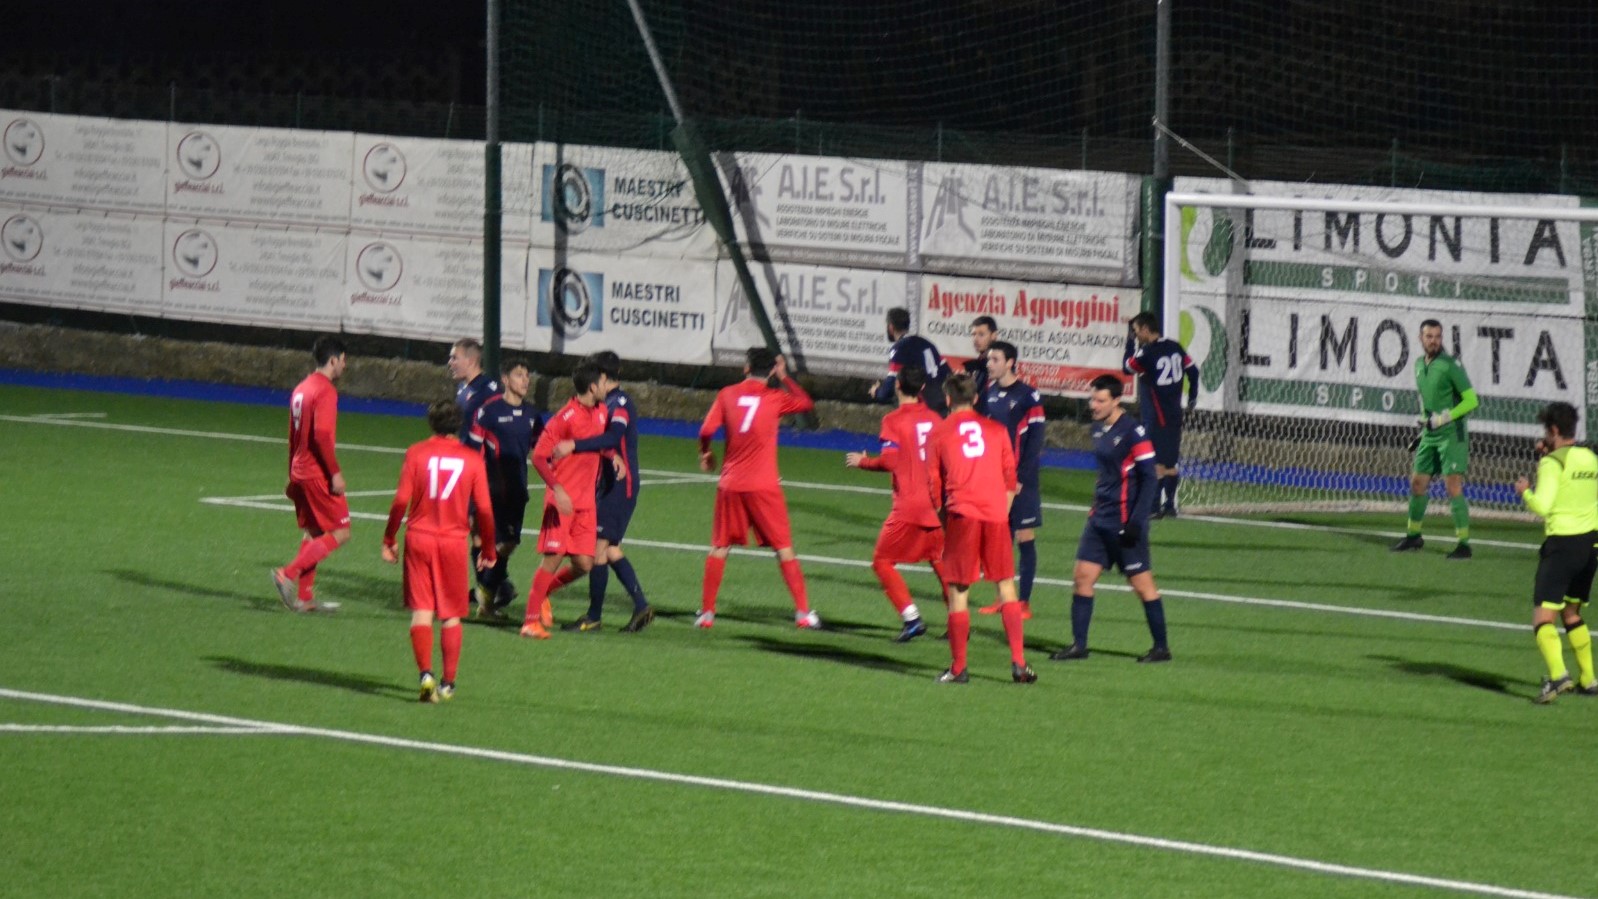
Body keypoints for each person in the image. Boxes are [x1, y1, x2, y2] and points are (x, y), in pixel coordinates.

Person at [381, 401, 497, 703]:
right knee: (451, 614)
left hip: (419, 538)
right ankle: (448, 683)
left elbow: (400, 500)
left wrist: (389, 537)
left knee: (422, 610)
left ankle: (425, 674)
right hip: (452, 543)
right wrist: (488, 548)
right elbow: (484, 509)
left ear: (431, 423)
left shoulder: (416, 453)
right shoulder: (472, 460)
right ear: (459, 425)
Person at [697, 348, 820, 630]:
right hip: (764, 486)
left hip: (731, 484)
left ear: (746, 368)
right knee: (784, 549)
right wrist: (785, 377)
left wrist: (706, 453)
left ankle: (706, 614)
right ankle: (802, 613)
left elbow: (705, 431)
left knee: (719, 547)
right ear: (771, 371)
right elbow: (805, 403)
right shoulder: (775, 397)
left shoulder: (726, 394)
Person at [1052, 374, 1171, 664]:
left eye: (1100, 400)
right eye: (1092, 399)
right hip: (1099, 521)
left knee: (1142, 586)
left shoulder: (1134, 432)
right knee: (1082, 578)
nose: (1093, 405)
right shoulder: (1097, 430)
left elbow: (1149, 478)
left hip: (1125, 523)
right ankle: (1079, 645)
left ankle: (1161, 648)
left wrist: (1137, 522)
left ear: (1117, 400)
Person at [926, 373, 1035, 684]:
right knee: (1005, 586)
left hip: (963, 515)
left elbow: (934, 487)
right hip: (996, 516)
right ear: (975, 399)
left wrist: (946, 521)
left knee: (959, 590)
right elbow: (1010, 478)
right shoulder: (997, 430)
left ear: (948, 399)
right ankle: (1018, 663)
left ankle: (959, 668)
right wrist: (1001, 514)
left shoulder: (939, 434)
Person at [552, 351, 655, 633]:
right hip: (609, 485)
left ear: (603, 377)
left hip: (619, 487)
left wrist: (574, 446)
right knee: (609, 550)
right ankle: (641, 605)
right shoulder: (604, 403)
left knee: (596, 550)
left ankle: (594, 616)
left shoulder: (618, 403)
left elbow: (612, 437)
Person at [845, 365, 947, 642]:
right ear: (923, 389)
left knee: (882, 561)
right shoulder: (936, 419)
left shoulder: (894, 419)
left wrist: (863, 461)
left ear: (898, 387)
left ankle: (912, 618)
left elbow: (890, 461)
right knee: (939, 561)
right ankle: (957, 620)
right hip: (936, 504)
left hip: (909, 506)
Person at [1513, 402, 1598, 703]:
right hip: (1590, 546)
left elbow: (1543, 506)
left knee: (1542, 618)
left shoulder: (1552, 464)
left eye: (1546, 432)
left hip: (1562, 546)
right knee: (1572, 613)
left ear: (1554, 430)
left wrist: (1524, 489)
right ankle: (1589, 679)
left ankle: (1559, 676)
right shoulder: (1590, 457)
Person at [520, 362, 609, 639]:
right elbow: (538, 456)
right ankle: (529, 622)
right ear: (593, 387)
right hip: (562, 502)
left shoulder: (602, 412)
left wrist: (612, 457)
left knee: (585, 564)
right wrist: (557, 489)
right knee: (552, 561)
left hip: (586, 504)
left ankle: (543, 593)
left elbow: (600, 444)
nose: (608, 387)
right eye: (604, 382)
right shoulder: (564, 418)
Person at [271, 336, 350, 613]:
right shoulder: (325, 390)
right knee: (341, 532)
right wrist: (335, 473)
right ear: (333, 360)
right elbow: (322, 435)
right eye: (342, 360)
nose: (344, 365)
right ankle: (287, 574)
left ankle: (305, 598)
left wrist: (292, 474)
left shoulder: (301, 388)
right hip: (317, 473)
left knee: (315, 531)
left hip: (300, 470)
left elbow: (293, 435)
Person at [1392, 319, 1479, 559]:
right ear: (1421, 338)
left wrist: (1443, 419)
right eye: (1429, 336)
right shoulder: (1419, 365)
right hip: (1429, 435)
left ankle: (1464, 544)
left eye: (1438, 337)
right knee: (1417, 484)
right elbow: (1429, 402)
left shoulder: (1451, 365)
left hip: (1452, 435)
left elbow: (1472, 401)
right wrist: (1424, 424)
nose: (1434, 341)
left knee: (1452, 487)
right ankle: (1413, 536)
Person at [468, 356, 543, 617]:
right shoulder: (489, 412)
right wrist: (471, 493)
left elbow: (540, 450)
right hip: (491, 489)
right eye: (520, 375)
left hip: (517, 490)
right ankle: (487, 593)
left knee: (507, 544)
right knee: (493, 540)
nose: (525, 380)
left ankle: (486, 594)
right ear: (505, 379)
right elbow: (473, 452)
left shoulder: (532, 415)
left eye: (527, 375)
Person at [975, 340, 1046, 620]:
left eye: (995, 359)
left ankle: (1024, 602)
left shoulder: (1030, 396)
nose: (989, 363)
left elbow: (1035, 442)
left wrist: (1020, 479)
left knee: (1024, 537)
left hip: (1020, 482)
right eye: (988, 359)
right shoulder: (989, 393)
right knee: (998, 540)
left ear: (1010, 362)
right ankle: (1004, 597)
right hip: (994, 480)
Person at [1122, 311, 1199, 519]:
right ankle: (1170, 504)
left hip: (1155, 417)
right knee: (1171, 461)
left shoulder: (1146, 353)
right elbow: (1194, 372)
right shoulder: (1175, 347)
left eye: (1137, 331)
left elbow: (1127, 367)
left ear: (1146, 330)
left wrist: (1129, 343)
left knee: (1152, 461)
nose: (1136, 335)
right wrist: (1192, 398)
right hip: (1174, 414)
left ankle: (1154, 506)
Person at [871, 306, 951, 416]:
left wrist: (877, 392)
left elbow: (891, 384)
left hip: (922, 407)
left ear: (890, 327)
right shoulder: (928, 344)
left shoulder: (899, 348)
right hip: (941, 404)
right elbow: (947, 372)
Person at [448, 337, 501, 441]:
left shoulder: (489, 391)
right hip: (465, 454)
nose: (450, 362)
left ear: (470, 361)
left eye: (454, 358)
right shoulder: (462, 387)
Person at [965, 315, 999, 410]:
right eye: (973, 334)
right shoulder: (978, 363)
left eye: (981, 334)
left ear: (994, 335)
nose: (976, 339)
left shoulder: (998, 363)